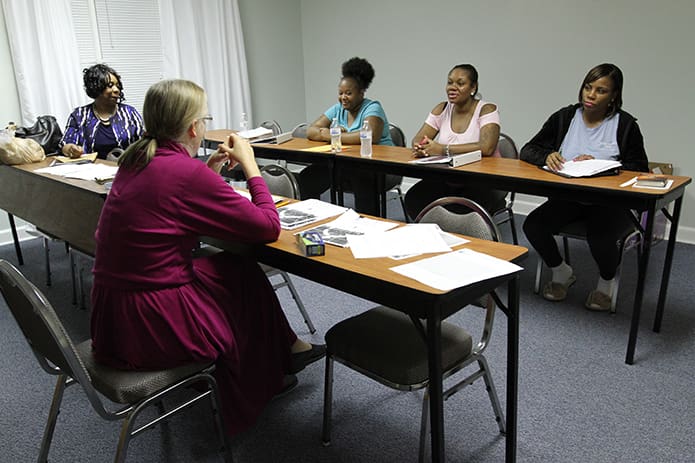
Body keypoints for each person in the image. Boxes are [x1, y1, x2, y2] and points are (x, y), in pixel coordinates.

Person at [90, 79, 325, 435]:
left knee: (237, 269)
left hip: (113, 313)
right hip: (150, 322)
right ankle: (264, 374)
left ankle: (289, 349)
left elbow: (169, 206)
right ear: (193, 126)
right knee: (237, 297)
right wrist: (251, 166)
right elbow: (266, 226)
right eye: (205, 118)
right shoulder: (185, 173)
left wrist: (208, 172)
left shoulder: (135, 159)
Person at [520, 63, 648, 311]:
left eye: (601, 90)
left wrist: (604, 165)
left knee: (600, 237)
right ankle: (561, 271)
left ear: (613, 96)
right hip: (568, 198)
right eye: (588, 87)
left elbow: (640, 168)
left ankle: (606, 282)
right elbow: (528, 149)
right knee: (533, 225)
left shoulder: (626, 125)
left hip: (609, 203)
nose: (591, 94)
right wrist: (547, 156)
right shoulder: (565, 117)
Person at [404, 64, 506, 221]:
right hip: (447, 177)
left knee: (459, 212)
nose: (452, 87)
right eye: (450, 82)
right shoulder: (442, 108)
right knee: (414, 198)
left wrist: (442, 149)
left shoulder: (487, 109)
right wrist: (421, 147)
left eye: (460, 83)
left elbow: (487, 147)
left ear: (473, 87)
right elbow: (418, 138)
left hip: (481, 180)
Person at [306, 57, 394, 215]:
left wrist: (333, 134)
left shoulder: (373, 108)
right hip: (346, 164)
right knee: (309, 176)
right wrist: (331, 134)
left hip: (381, 167)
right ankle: (310, 217)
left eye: (349, 93)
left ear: (361, 93)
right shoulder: (338, 108)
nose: (343, 97)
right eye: (340, 93)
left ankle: (368, 224)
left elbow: (369, 136)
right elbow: (311, 130)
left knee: (362, 178)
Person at [60, 63, 144, 159]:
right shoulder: (80, 115)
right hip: (91, 170)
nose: (116, 90)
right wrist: (71, 149)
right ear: (96, 88)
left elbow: (144, 143)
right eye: (110, 85)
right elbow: (65, 144)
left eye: (117, 85)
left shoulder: (129, 113)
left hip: (125, 168)